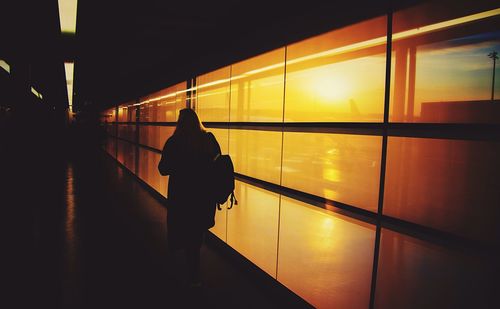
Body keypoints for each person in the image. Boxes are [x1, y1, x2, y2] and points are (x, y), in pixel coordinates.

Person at [158, 108, 221, 288]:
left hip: (181, 197)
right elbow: (218, 163)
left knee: (183, 231)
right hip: (202, 198)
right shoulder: (208, 139)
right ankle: (194, 276)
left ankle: (186, 272)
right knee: (196, 234)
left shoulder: (174, 142)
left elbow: (163, 169)